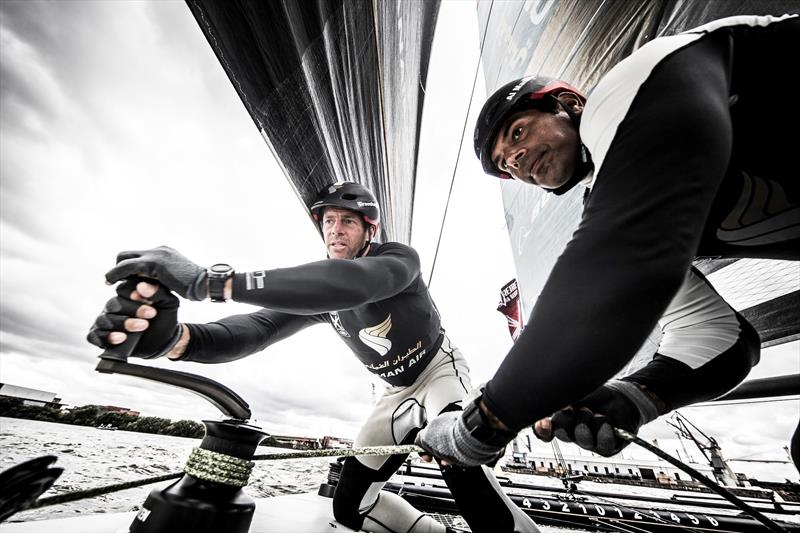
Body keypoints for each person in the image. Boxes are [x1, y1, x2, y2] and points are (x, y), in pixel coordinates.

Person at [416, 14, 800, 469]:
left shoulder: (631, 86)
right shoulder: (632, 206)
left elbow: (618, 271)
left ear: (568, 103)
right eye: (505, 165)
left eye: (517, 133)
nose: (515, 161)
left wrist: (486, 419)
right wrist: (634, 396)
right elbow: (717, 339)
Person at [87, 181, 539, 533]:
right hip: (395, 394)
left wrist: (209, 281)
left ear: (369, 229)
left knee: (459, 460)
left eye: (347, 221)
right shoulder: (321, 289)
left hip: (440, 374)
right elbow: (254, 329)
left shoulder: (399, 259)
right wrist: (175, 339)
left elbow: (353, 284)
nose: (334, 230)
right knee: (350, 506)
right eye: (327, 222)